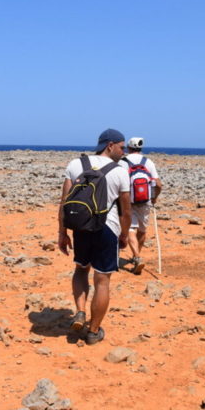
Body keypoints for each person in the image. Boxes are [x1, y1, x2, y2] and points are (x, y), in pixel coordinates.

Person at [58, 129, 131, 345]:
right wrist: (124, 235)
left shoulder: (75, 164)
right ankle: (93, 331)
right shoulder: (120, 172)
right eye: (121, 146)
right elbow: (126, 211)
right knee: (102, 280)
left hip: (81, 227)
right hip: (107, 229)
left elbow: (64, 203)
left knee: (81, 269)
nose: (123, 151)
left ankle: (80, 311)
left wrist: (62, 233)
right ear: (110, 145)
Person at [119, 136, 163, 275]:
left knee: (131, 229)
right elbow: (159, 184)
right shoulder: (148, 162)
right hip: (145, 201)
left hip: (128, 200)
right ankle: (136, 256)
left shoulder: (123, 162)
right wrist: (154, 198)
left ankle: (137, 257)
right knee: (142, 230)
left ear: (128, 147)